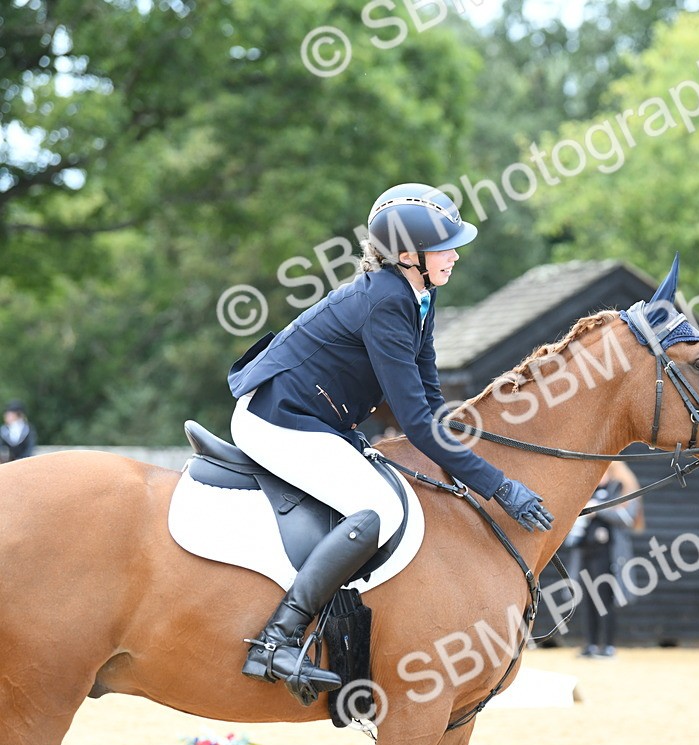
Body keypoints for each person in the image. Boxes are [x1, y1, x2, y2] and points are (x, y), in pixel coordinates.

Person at [225, 183, 554, 705]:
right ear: (408, 256)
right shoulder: (385, 301)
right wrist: (497, 485)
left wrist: (471, 445)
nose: (456, 254)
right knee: (375, 506)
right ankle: (277, 639)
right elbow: (416, 424)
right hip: (277, 418)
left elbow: (428, 394)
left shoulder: (419, 292)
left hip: (316, 417)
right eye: (446, 246)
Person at [564, 462, 644, 658]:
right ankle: (591, 644)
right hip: (585, 553)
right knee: (589, 599)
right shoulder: (588, 492)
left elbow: (628, 518)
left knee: (605, 599)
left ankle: (608, 645)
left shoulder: (620, 492)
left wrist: (599, 510)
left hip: (608, 555)